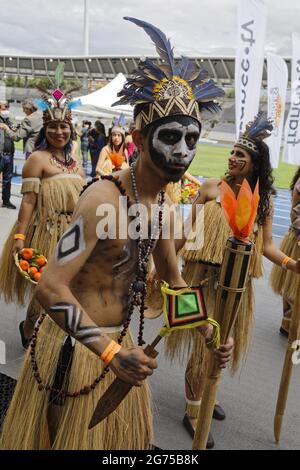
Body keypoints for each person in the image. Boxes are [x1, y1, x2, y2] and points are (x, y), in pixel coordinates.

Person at [0, 17, 232, 450]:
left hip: (125, 354)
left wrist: (210, 332)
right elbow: (50, 288)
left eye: (191, 139)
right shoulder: (102, 199)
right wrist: (109, 352)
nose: (182, 151)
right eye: (171, 137)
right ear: (141, 140)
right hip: (76, 355)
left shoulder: (163, 205)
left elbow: (174, 282)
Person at [161, 112, 300, 448]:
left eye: (242, 155)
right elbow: (186, 232)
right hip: (199, 278)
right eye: (233, 152)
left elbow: (265, 246)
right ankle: (194, 412)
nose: (234, 158)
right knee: (202, 345)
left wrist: (293, 264)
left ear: (254, 164)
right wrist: (163, 266)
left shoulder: (262, 201)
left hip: (237, 287)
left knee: (223, 347)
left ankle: (209, 394)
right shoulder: (210, 186)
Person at [0, 67, 85, 350]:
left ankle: (51, 337)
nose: (59, 132)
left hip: (73, 234)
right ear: (45, 130)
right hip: (46, 233)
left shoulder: (75, 159)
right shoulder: (37, 159)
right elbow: (28, 201)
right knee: (45, 289)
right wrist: (20, 238)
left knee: (68, 288)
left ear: (70, 128)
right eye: (53, 128)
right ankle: (29, 327)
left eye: (63, 127)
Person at [270, 167, 300, 336]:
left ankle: (289, 323)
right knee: (293, 284)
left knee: (293, 284)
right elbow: (296, 214)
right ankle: (289, 323)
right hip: (298, 238)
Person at [0, 101, 16, 209]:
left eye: (7, 107)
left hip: (9, 154)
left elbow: (15, 134)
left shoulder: (9, 120)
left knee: (7, 179)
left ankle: (6, 201)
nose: (6, 109)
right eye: (3, 107)